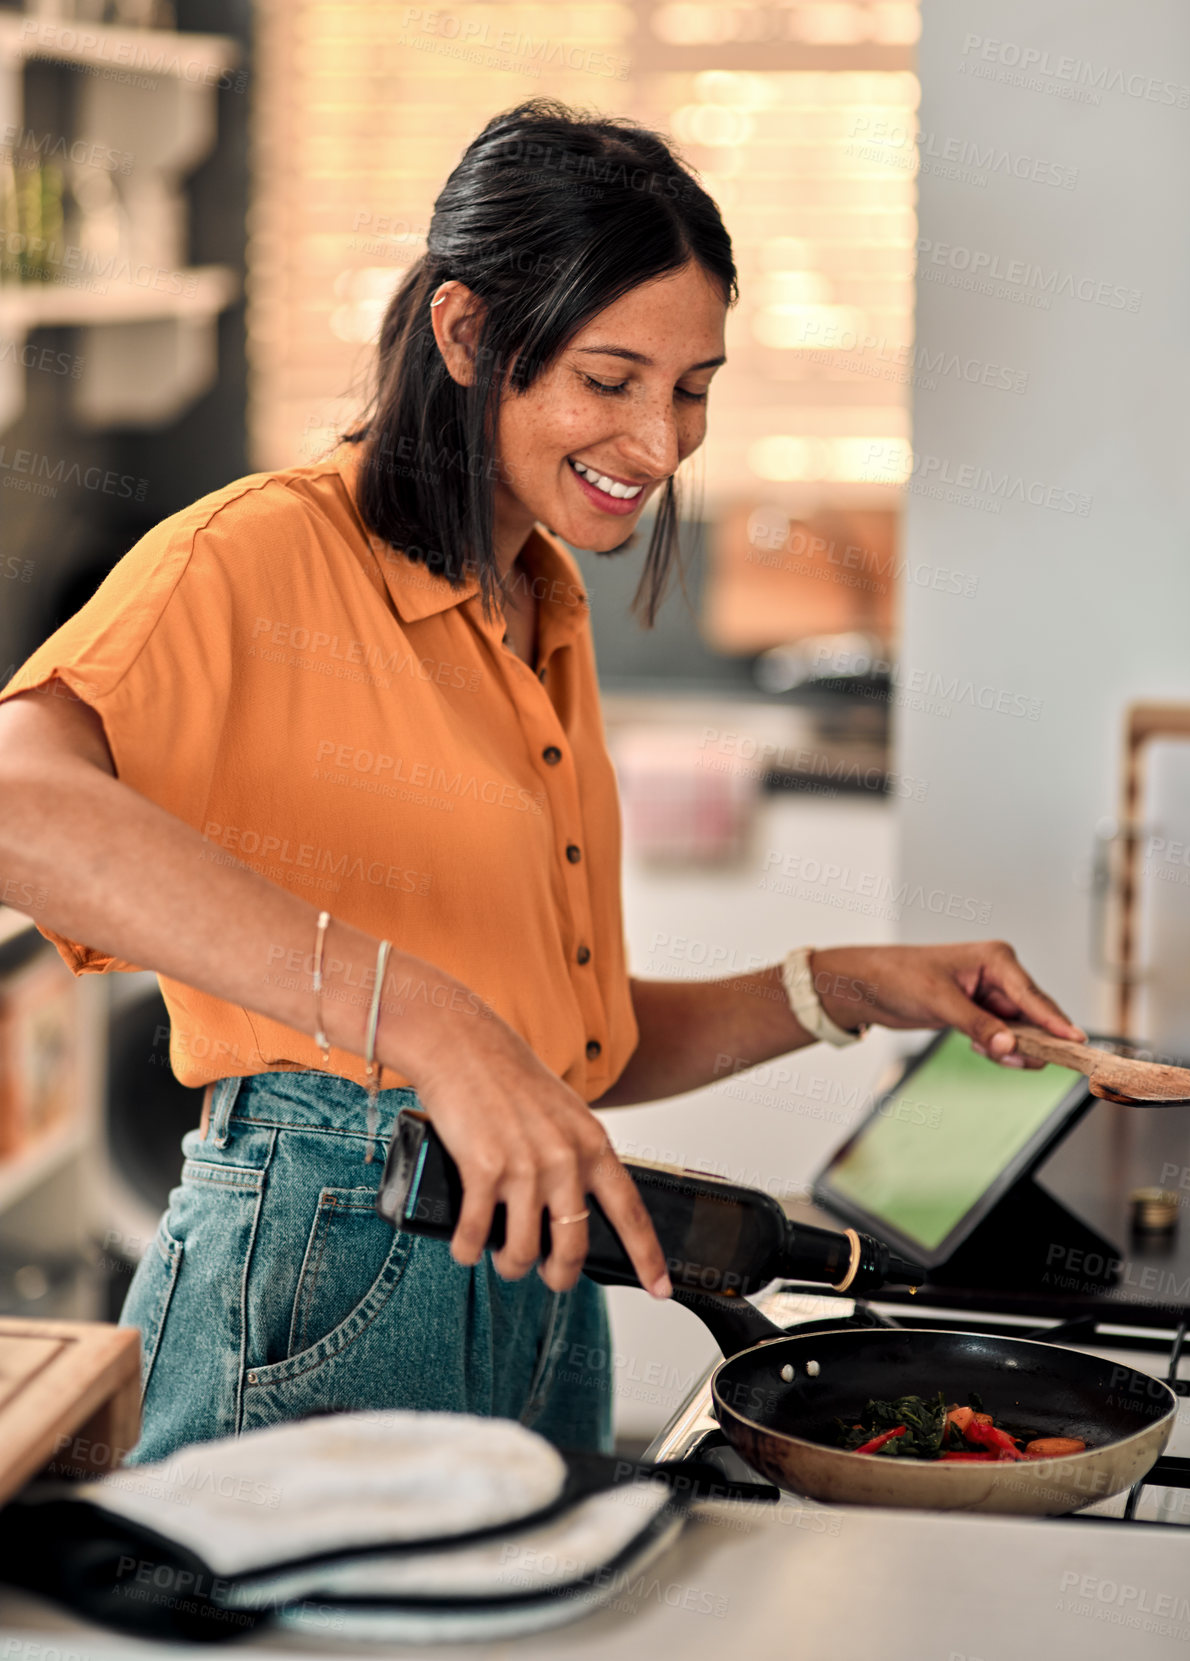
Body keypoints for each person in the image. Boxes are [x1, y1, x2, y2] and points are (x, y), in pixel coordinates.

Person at [0, 100, 1084, 1464]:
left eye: (690, 386)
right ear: (465, 336)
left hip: (534, 1277)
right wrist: (428, 1020)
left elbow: (574, 1048)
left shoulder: (538, 604)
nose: (659, 443)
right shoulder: (255, 555)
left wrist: (836, 987)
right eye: (608, 378)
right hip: (325, 1257)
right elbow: (15, 804)